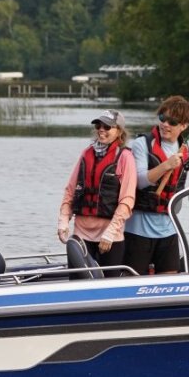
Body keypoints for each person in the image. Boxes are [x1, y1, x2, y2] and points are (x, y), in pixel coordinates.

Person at [57, 109, 137, 277]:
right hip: (81, 236)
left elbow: (127, 201)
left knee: (109, 286)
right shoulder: (86, 154)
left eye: (107, 127)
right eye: (98, 126)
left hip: (110, 238)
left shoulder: (125, 157)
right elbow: (70, 190)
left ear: (119, 131)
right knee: (78, 283)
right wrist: (63, 220)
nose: (101, 130)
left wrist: (110, 232)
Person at [123, 95, 189, 275]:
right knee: (134, 281)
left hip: (168, 229)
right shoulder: (141, 144)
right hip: (138, 231)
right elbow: (140, 181)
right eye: (162, 118)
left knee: (170, 279)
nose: (165, 125)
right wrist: (166, 165)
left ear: (184, 126)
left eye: (172, 122)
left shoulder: (184, 149)